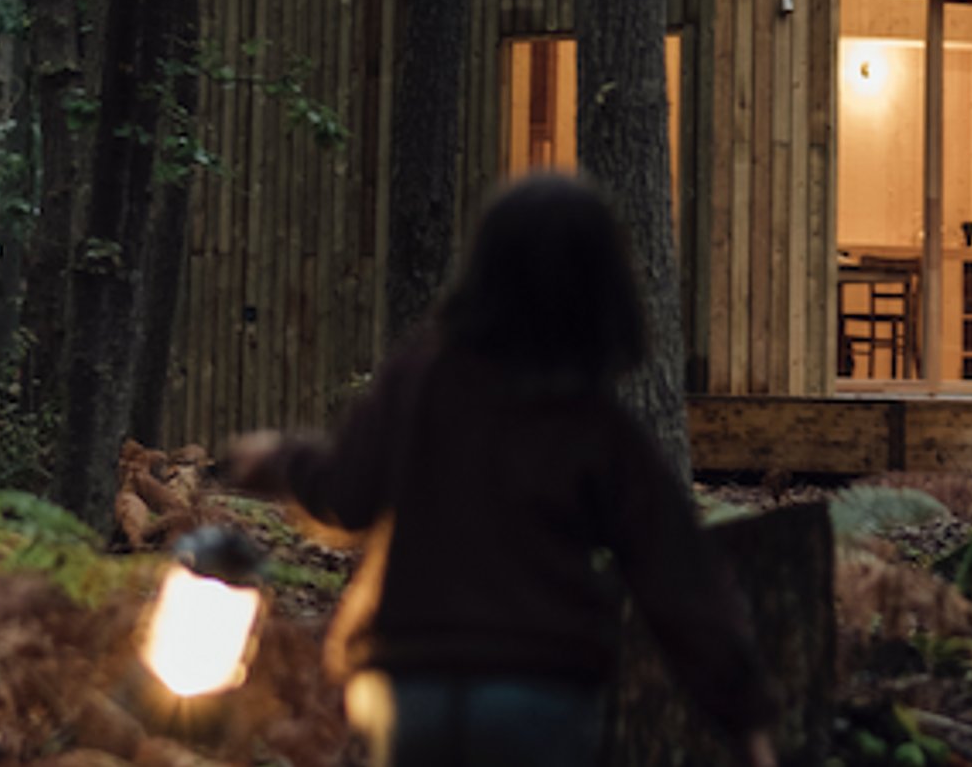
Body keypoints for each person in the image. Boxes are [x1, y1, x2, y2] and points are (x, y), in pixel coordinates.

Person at [228, 174, 778, 767]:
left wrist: (278, 458)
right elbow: (678, 580)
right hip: (541, 690)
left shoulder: (420, 379)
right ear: (603, 288)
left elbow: (347, 492)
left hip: (411, 686)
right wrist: (744, 718)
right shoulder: (596, 425)